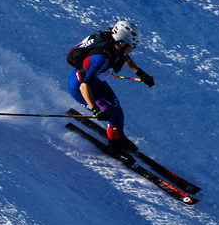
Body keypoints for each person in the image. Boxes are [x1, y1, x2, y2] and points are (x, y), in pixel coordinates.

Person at [66, 18, 155, 151]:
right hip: (82, 88)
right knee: (111, 114)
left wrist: (140, 73)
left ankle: (119, 136)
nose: (133, 49)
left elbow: (123, 56)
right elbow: (84, 86)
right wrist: (94, 109)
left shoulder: (115, 47)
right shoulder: (101, 58)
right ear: (121, 42)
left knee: (117, 111)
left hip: (96, 83)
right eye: (133, 45)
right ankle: (115, 147)